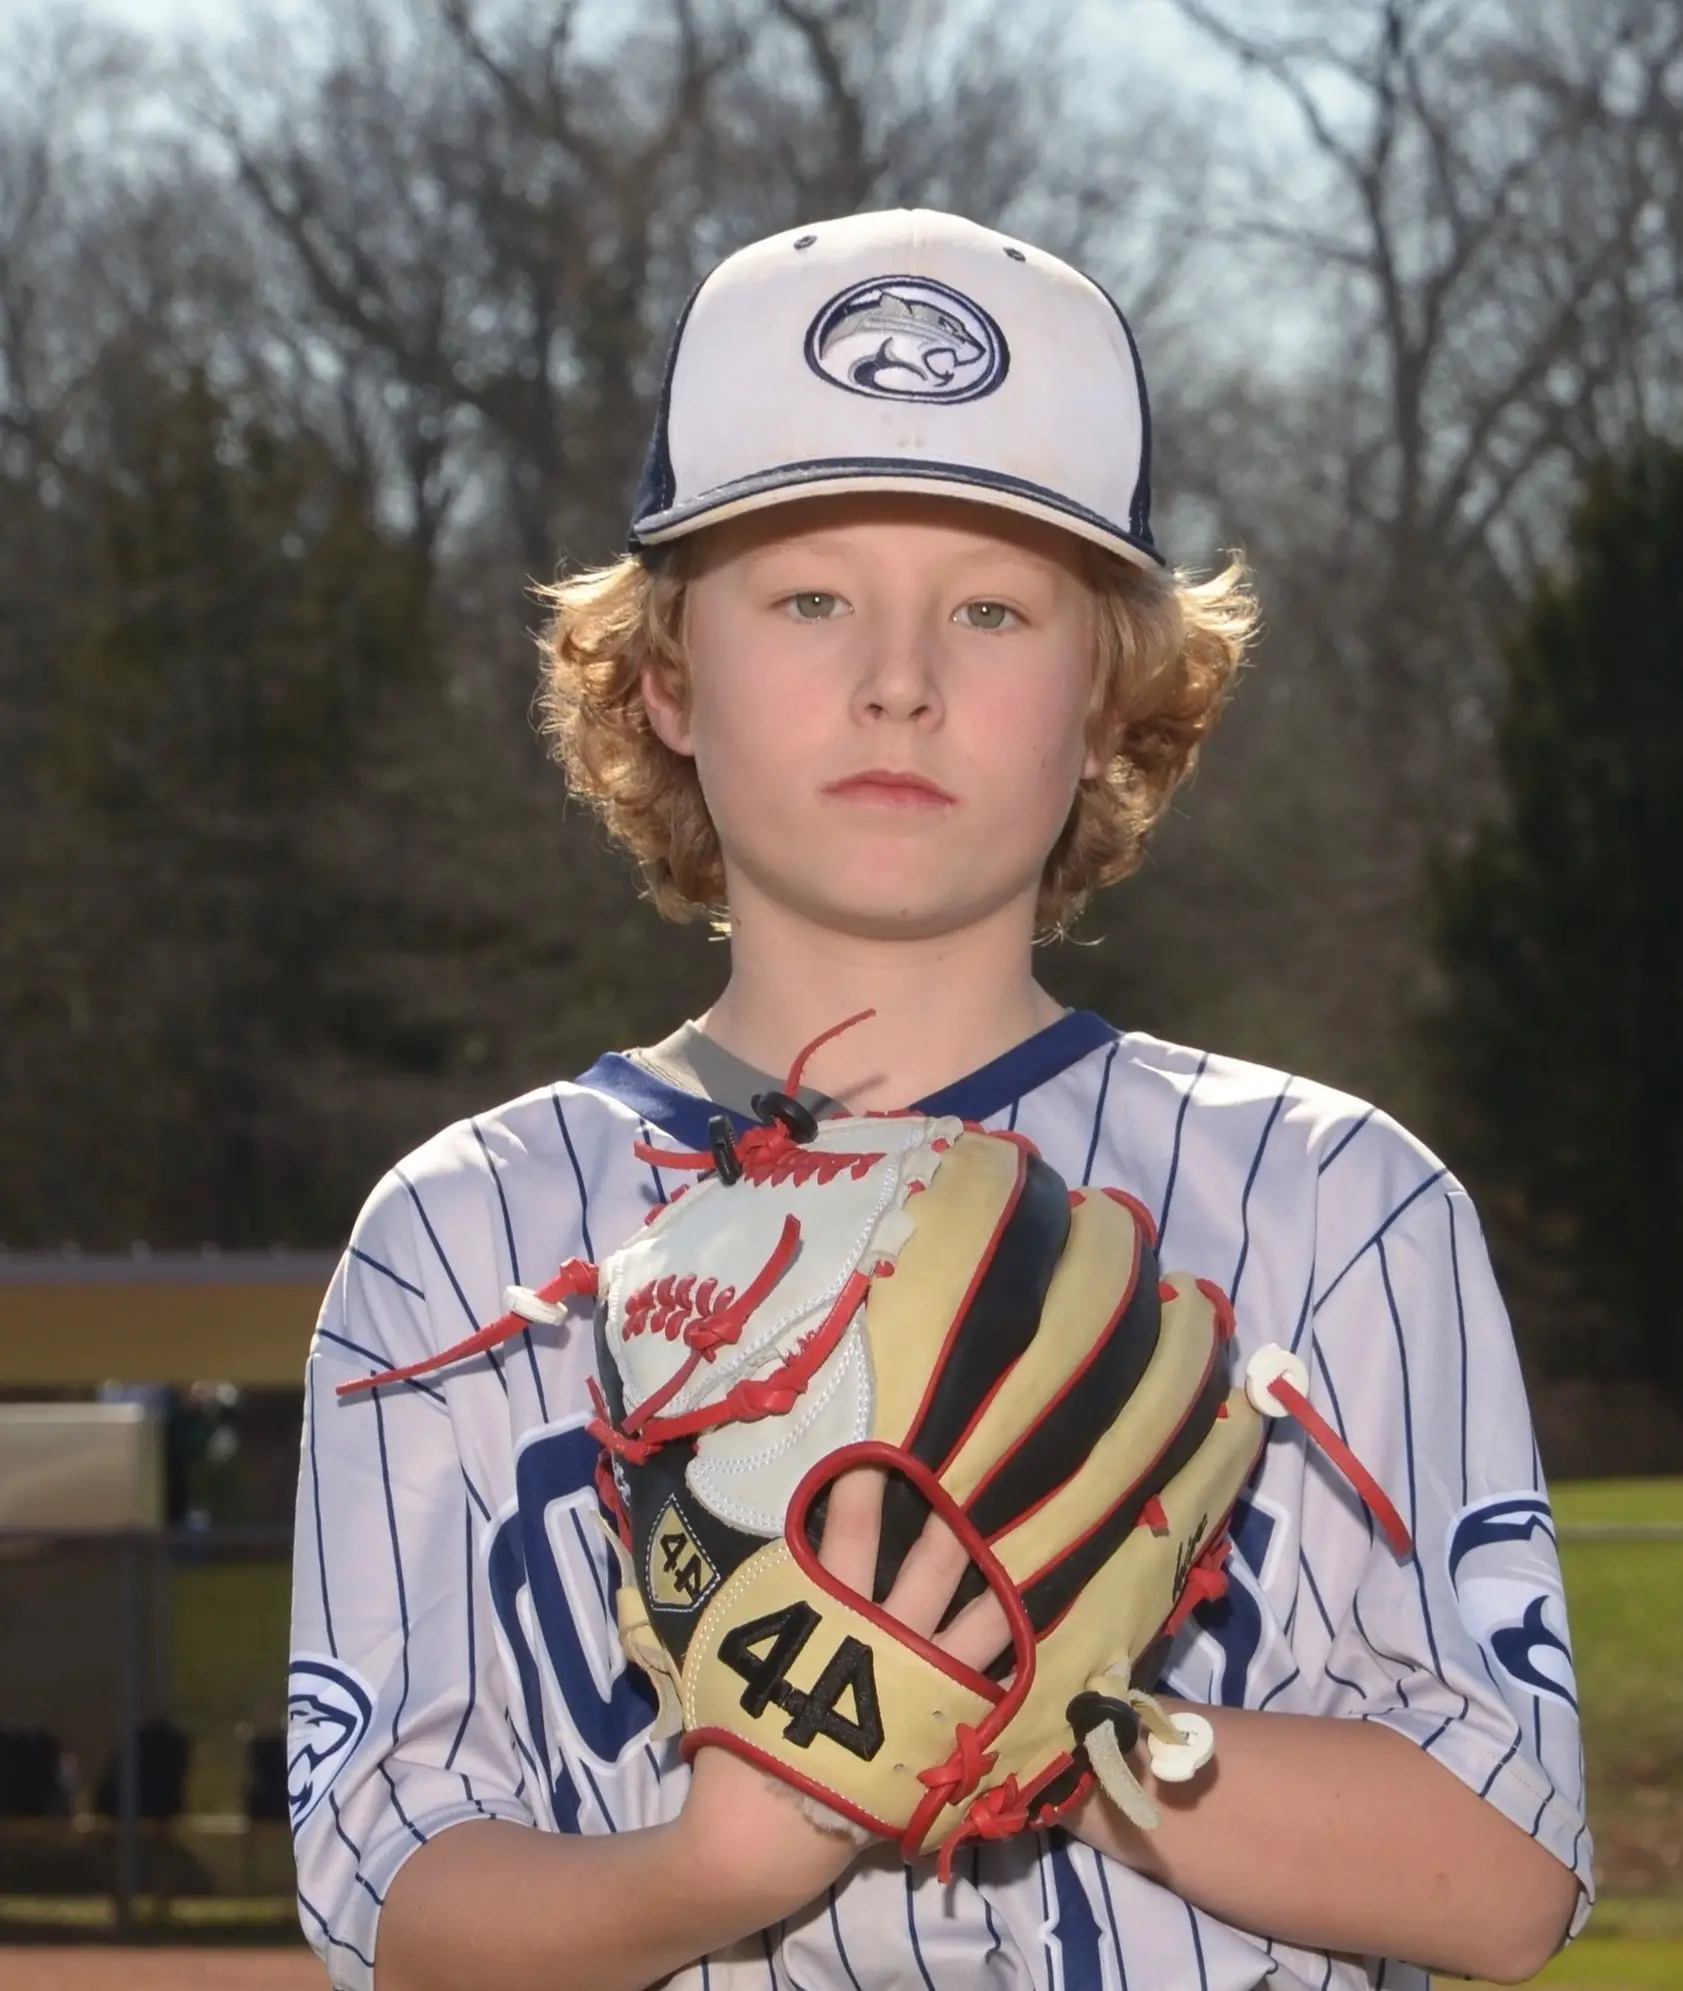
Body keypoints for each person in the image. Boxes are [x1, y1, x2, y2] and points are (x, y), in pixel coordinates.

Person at [287, 209, 1589, 1991]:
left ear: (1108, 697)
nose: (897, 680)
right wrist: (720, 1859)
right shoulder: (462, 1243)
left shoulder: (1335, 1205)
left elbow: (1507, 1868)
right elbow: (383, 1899)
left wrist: (1049, 1717)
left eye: (990, 609)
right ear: (664, 677)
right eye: (808, 598)